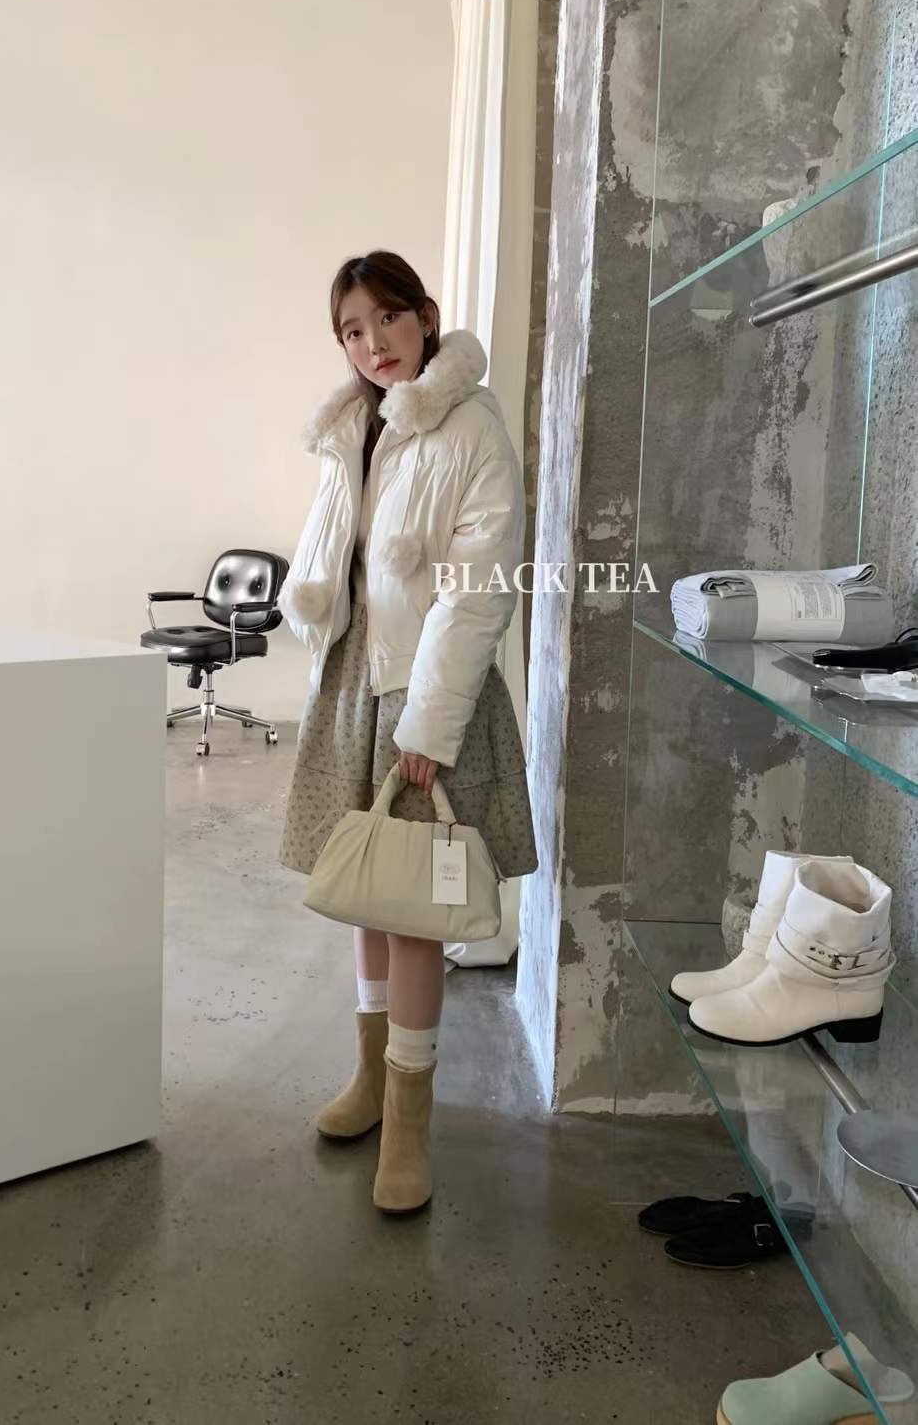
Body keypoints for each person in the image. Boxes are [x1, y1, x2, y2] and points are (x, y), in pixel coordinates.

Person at [277, 250, 538, 1214]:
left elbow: (476, 593)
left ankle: (410, 1121)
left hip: (424, 693)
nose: (372, 342)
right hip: (356, 678)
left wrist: (429, 723)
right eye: (352, 329)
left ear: (424, 315)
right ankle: (369, 1079)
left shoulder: (469, 427)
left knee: (416, 913)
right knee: (368, 895)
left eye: (386, 318)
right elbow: (338, 557)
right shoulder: (356, 425)